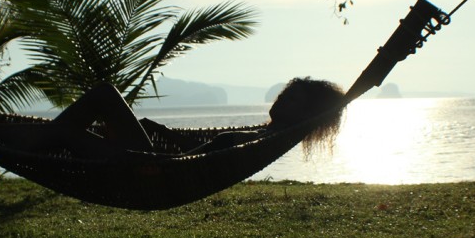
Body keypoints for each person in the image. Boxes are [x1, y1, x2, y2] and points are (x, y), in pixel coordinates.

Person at [45, 77, 346, 157]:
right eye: (285, 92)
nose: (282, 98)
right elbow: (200, 154)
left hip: (148, 169)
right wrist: (163, 131)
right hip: (151, 161)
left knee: (103, 96)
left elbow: (191, 163)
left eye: (293, 98)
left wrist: (161, 141)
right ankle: (25, 145)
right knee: (67, 133)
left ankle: (25, 148)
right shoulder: (265, 134)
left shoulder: (265, 139)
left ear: (307, 114)